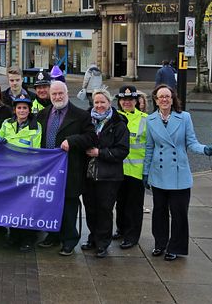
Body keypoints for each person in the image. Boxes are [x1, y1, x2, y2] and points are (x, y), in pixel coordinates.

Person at [143, 85, 212, 261]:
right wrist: (145, 173)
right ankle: (160, 244)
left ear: (172, 98)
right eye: (160, 97)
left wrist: (204, 149)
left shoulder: (184, 118)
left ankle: (175, 247)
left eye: (167, 96)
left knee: (179, 213)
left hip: (179, 174)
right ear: (155, 100)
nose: (164, 100)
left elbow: (191, 142)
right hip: (158, 173)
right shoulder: (151, 120)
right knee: (159, 212)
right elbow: (149, 147)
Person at [37, 81, 96, 256]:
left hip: (70, 169)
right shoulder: (42, 114)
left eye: (60, 94)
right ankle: (53, 235)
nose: (57, 97)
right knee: (50, 205)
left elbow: (92, 137)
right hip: (48, 171)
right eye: (54, 94)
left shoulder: (80, 115)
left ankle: (69, 240)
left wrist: (72, 141)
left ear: (67, 93)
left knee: (69, 206)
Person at [81, 89, 129, 258]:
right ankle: (93, 238)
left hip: (109, 176)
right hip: (88, 174)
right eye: (97, 102)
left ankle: (103, 243)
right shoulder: (86, 120)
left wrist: (99, 153)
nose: (99, 105)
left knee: (104, 209)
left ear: (109, 103)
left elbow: (122, 150)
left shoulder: (119, 123)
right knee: (91, 208)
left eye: (103, 102)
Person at [0, 95, 43, 252]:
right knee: (12, 206)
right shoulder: (6, 124)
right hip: (8, 173)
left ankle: (28, 238)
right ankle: (14, 236)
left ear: (29, 110)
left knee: (27, 207)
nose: (22, 110)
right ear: (14, 109)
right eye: (19, 107)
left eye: (25, 107)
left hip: (27, 173)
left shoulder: (35, 126)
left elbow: (36, 150)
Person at [112, 85, 148, 249]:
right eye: (123, 99)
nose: (126, 102)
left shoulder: (145, 119)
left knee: (134, 206)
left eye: (130, 99)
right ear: (119, 101)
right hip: (117, 168)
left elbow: (149, 146)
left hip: (136, 170)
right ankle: (121, 229)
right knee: (120, 203)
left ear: (136, 101)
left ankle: (132, 236)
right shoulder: (114, 117)